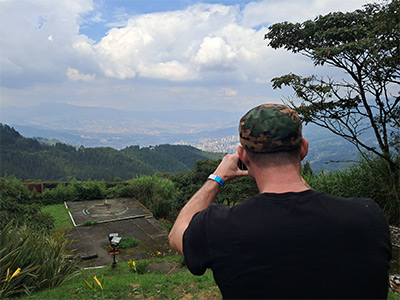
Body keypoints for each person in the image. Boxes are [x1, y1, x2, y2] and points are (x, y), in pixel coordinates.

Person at [169, 103, 392, 299]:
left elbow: (177, 233)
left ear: (243, 156)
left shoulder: (219, 227)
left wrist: (216, 178)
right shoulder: (367, 217)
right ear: (304, 148)